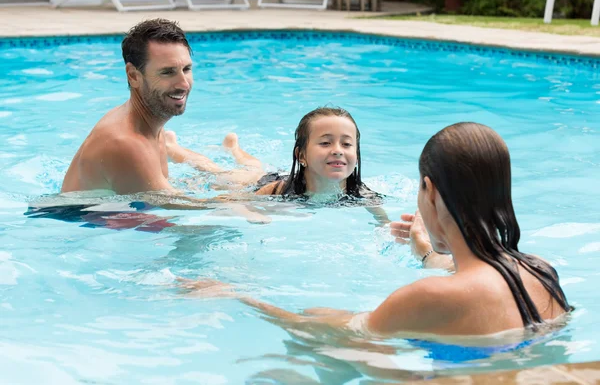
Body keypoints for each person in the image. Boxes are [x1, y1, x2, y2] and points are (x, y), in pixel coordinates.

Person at [179, 122, 573, 337]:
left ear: (428, 191)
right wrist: (423, 250)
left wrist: (236, 295)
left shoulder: (429, 294)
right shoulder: (541, 270)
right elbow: (467, 278)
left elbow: (320, 329)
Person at [61, 18, 212, 195]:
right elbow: (180, 207)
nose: (184, 84)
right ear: (133, 76)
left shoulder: (149, 123)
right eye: (167, 72)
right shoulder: (125, 144)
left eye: (186, 69)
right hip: (84, 219)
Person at [166, 106, 391, 223]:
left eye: (347, 144)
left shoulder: (362, 194)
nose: (337, 150)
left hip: (286, 175)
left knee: (254, 164)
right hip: (270, 180)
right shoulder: (278, 190)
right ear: (301, 156)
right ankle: (173, 147)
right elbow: (230, 201)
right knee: (222, 173)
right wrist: (250, 212)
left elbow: (383, 221)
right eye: (325, 142)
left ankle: (233, 147)